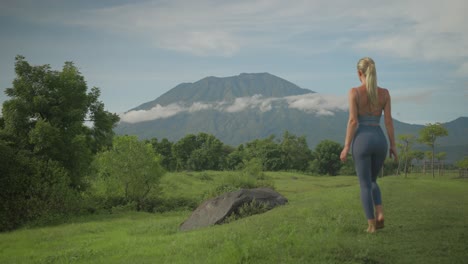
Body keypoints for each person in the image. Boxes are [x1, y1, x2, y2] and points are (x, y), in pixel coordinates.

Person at [340, 57, 398, 233]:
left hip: (362, 140)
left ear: (359, 73)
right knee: (373, 180)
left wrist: (346, 146)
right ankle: (379, 212)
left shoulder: (354, 92)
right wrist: (393, 146)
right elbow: (388, 121)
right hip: (380, 139)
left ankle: (371, 225)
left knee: (364, 184)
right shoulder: (385, 94)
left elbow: (352, 121)